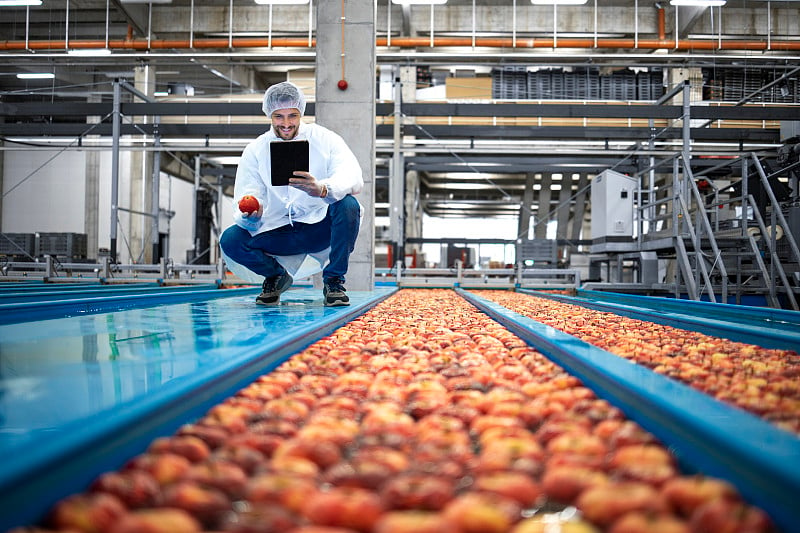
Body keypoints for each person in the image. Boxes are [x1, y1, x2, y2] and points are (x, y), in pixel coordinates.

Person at [220, 81, 363, 306]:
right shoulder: (256, 150)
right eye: (279, 116)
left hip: (319, 227)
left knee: (348, 205)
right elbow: (248, 191)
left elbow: (351, 174)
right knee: (230, 240)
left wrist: (323, 189)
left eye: (292, 116)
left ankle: (334, 280)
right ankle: (275, 276)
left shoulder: (324, 139)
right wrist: (253, 212)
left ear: (301, 113)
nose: (286, 124)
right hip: (277, 232)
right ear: (269, 114)